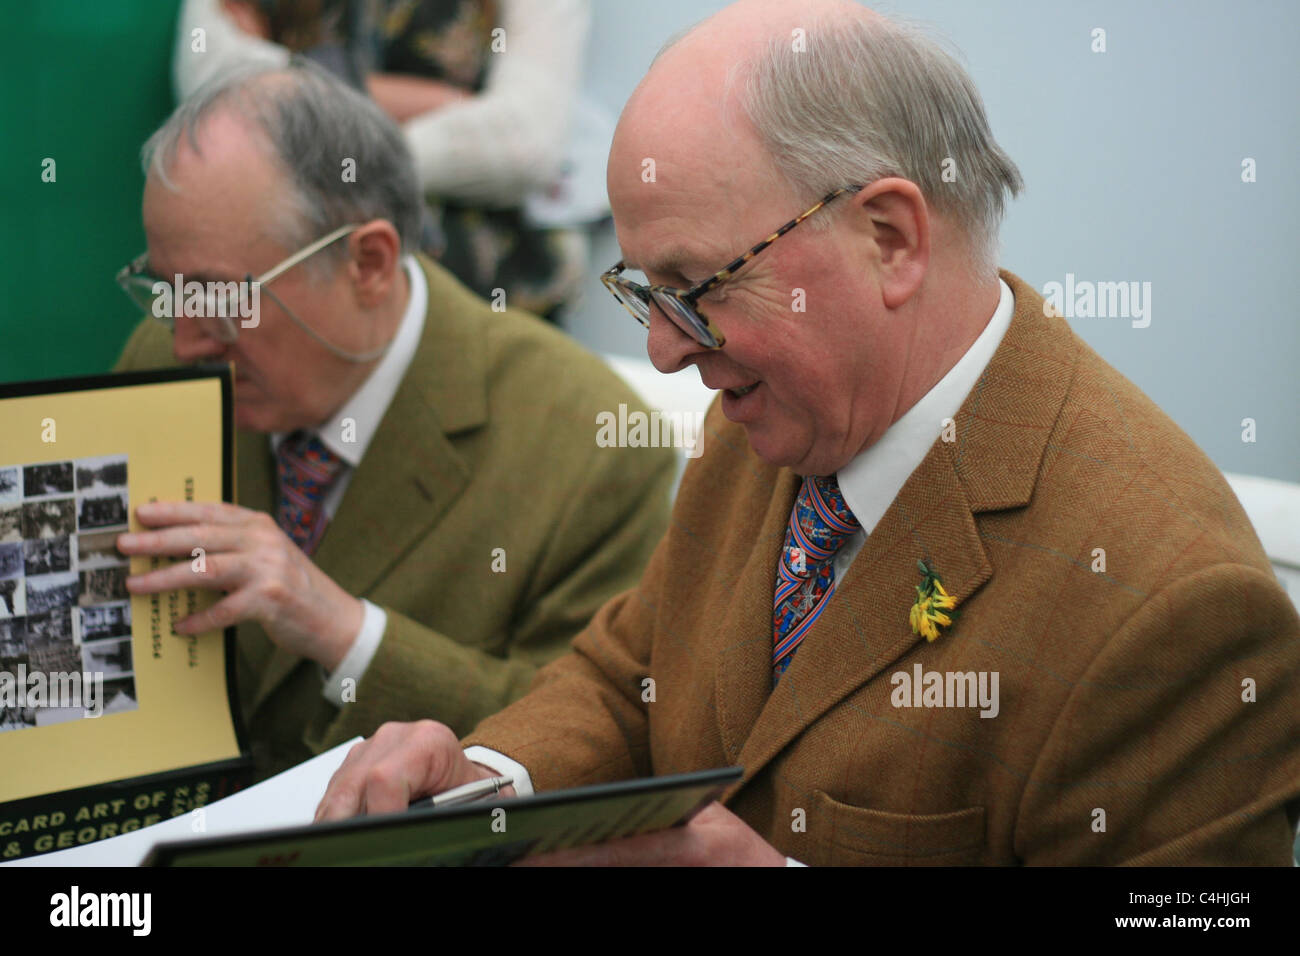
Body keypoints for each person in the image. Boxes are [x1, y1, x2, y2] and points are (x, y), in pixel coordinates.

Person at [315, 0, 1300, 865]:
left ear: (890, 239)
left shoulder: (1174, 606)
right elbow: (633, 676)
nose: (663, 351)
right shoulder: (765, 422)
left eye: (696, 288)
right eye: (643, 291)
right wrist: (487, 779)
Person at [111, 61, 675, 781]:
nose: (187, 338)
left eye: (222, 300)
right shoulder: (161, 359)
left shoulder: (591, 445)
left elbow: (601, 737)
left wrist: (345, 631)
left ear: (370, 262)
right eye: (165, 290)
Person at [173, 0, 599, 319]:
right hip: (291, 291)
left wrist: (295, 87)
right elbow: (214, 82)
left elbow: (527, 143)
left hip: (484, 298)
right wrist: (440, 104)